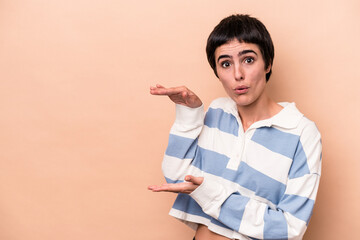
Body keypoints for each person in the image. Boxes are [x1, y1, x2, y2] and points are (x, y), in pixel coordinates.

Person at [148, 14, 322, 240]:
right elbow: (177, 178)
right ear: (217, 72)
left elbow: (290, 228)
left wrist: (211, 193)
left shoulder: (301, 133)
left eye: (248, 60)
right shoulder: (218, 113)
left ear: (268, 63)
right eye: (226, 64)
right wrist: (188, 115)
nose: (238, 74)